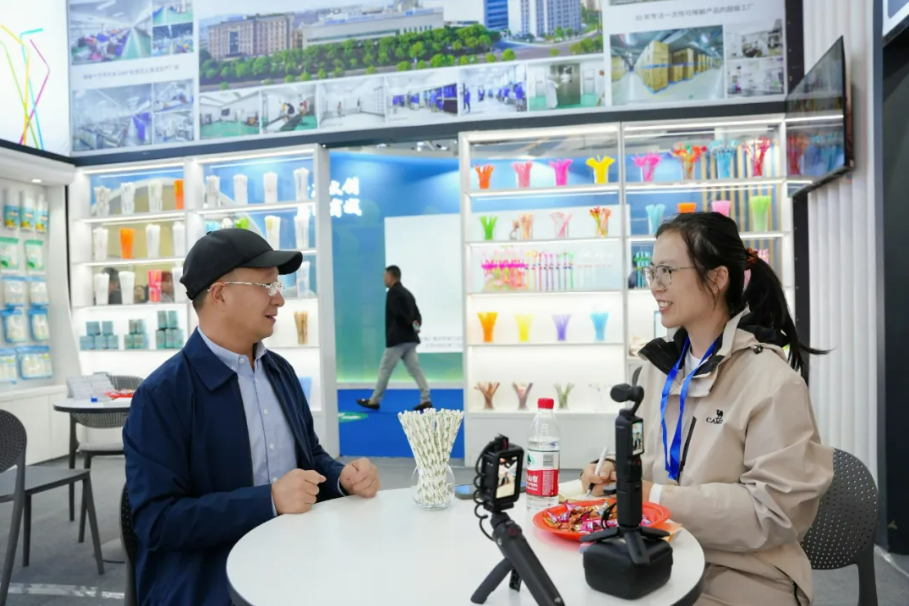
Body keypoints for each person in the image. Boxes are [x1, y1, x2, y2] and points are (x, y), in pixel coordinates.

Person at [581, 212, 833, 606]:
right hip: (662, 552)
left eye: (667, 271)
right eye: (652, 272)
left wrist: (655, 497)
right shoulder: (657, 370)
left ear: (716, 279)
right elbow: (647, 455)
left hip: (742, 572)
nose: (655, 286)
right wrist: (615, 469)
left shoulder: (772, 381)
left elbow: (775, 512)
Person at [124, 229, 380, 605]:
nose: (279, 298)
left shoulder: (280, 372)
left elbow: (308, 457)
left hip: (295, 555)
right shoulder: (162, 395)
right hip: (209, 580)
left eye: (278, 285)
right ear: (220, 294)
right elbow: (157, 521)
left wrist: (341, 478)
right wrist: (268, 500)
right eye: (266, 285)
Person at [356, 265, 432, 411]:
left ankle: (374, 400)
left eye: (385, 276)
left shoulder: (392, 293)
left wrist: (409, 325)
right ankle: (426, 398)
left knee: (385, 369)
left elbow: (398, 314)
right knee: (416, 370)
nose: (383, 279)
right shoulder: (408, 293)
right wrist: (414, 328)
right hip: (410, 339)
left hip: (397, 339)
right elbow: (417, 315)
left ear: (391, 277)